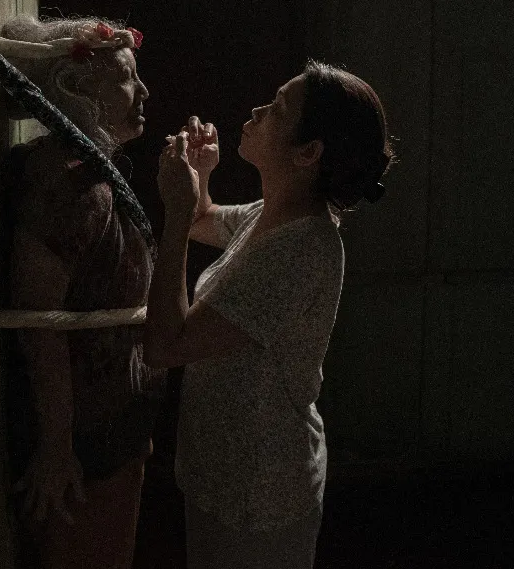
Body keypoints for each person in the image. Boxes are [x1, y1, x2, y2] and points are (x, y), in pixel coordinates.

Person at [144, 61, 393, 569]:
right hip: (228, 470)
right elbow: (203, 219)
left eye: (277, 110)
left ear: (308, 153)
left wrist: (174, 212)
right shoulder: (272, 213)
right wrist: (202, 177)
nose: (257, 111)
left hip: (259, 489)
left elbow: (166, 345)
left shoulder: (300, 249)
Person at [0, 14, 162, 569]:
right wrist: (56, 446)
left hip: (110, 434)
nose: (143, 91)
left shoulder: (90, 171)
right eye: (126, 78)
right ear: (73, 88)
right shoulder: (71, 184)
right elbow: (40, 324)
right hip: (85, 448)